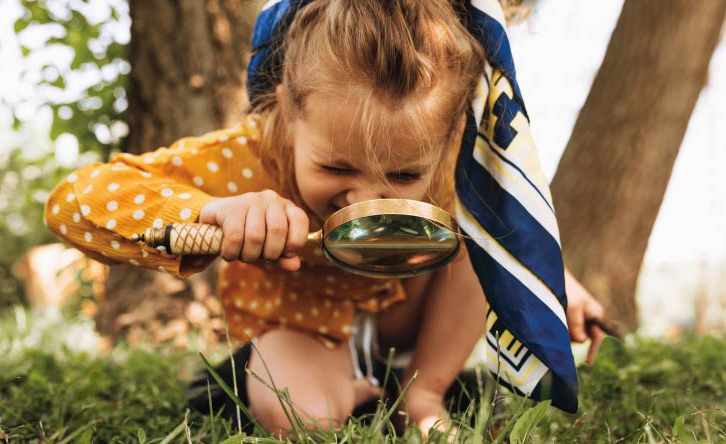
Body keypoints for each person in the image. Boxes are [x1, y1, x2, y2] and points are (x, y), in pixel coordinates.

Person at [45, 0, 604, 436]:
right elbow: (75, 202)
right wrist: (208, 212)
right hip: (302, 331)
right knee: (301, 417)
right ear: (289, 110)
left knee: (479, 230)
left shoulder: (462, 158)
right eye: (337, 166)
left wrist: (556, 286)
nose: (365, 200)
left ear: (448, 131)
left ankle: (425, 394)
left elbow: (511, 229)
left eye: (404, 176)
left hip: (410, 329)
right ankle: (349, 393)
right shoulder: (251, 158)